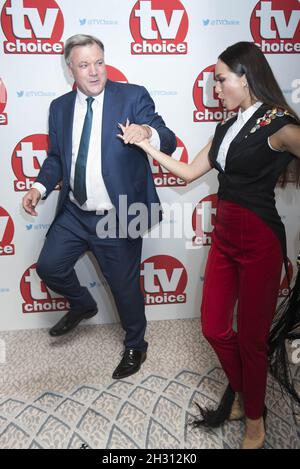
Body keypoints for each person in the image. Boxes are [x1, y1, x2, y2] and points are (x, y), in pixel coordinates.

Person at [118, 42, 300, 449]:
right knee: (215, 327)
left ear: (245, 76)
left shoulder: (280, 123)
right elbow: (186, 172)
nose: (216, 89)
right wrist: (145, 145)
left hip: (261, 242)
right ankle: (244, 392)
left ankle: (255, 417)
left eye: (221, 80)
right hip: (226, 238)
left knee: (252, 340)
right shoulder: (225, 127)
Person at [22, 34, 176, 380]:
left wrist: (146, 132)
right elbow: (57, 160)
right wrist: (38, 187)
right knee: (49, 267)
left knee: (124, 288)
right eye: (84, 65)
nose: (94, 72)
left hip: (118, 214)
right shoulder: (59, 107)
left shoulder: (132, 96)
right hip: (75, 212)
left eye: (99, 62)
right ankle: (83, 304)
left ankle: (137, 343)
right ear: (70, 69)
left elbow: (169, 138)